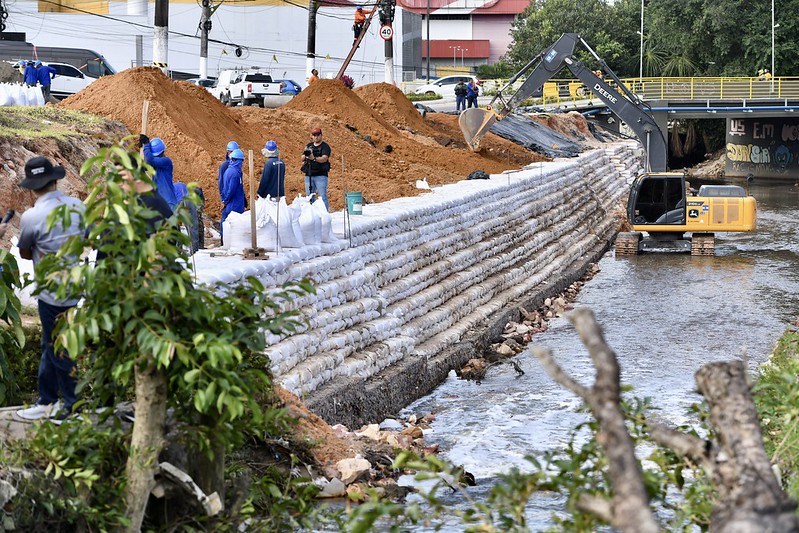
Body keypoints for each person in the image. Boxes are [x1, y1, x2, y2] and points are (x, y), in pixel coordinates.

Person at [16, 156, 85, 420]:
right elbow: (87, 236)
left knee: (58, 346)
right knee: (52, 342)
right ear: (55, 180)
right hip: (75, 284)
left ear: (32, 187)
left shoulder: (32, 216)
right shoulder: (77, 206)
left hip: (50, 288)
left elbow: (23, 252)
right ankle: (47, 399)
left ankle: (71, 405)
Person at [140, 134, 179, 210]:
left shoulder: (166, 161)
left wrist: (147, 145)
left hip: (169, 202)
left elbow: (150, 160)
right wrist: (143, 147)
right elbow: (145, 165)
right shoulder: (155, 165)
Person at [302, 127, 332, 210]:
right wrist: (306, 155)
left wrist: (314, 158)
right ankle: (311, 215)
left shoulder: (325, 147)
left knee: (322, 197)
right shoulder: (309, 146)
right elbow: (302, 157)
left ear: (321, 135)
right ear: (312, 136)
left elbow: (324, 158)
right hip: (309, 174)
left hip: (321, 175)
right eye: (314, 135)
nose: (316, 137)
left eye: (318, 135)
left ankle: (324, 215)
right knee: (309, 197)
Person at [220, 148, 246, 237]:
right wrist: (225, 201)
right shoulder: (235, 174)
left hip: (231, 204)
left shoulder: (229, 171)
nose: (242, 163)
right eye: (241, 161)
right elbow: (231, 190)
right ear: (237, 160)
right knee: (234, 229)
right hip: (234, 205)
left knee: (226, 225)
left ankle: (224, 241)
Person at [173, 181, 201, 253]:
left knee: (176, 227)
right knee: (192, 226)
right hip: (189, 201)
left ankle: (178, 250)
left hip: (178, 203)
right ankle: (194, 250)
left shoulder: (170, 187)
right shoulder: (185, 186)